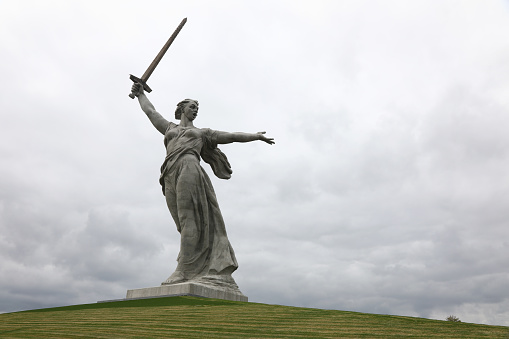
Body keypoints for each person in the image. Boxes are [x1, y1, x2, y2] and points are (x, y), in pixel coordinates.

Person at [131, 83, 274, 288]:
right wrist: (140, 94)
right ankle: (194, 265)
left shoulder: (202, 133)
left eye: (197, 108)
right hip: (168, 173)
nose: (195, 110)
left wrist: (255, 136)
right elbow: (150, 111)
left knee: (188, 218)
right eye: (192, 106)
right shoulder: (169, 128)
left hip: (189, 167)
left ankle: (183, 269)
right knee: (182, 223)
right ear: (181, 109)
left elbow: (231, 136)